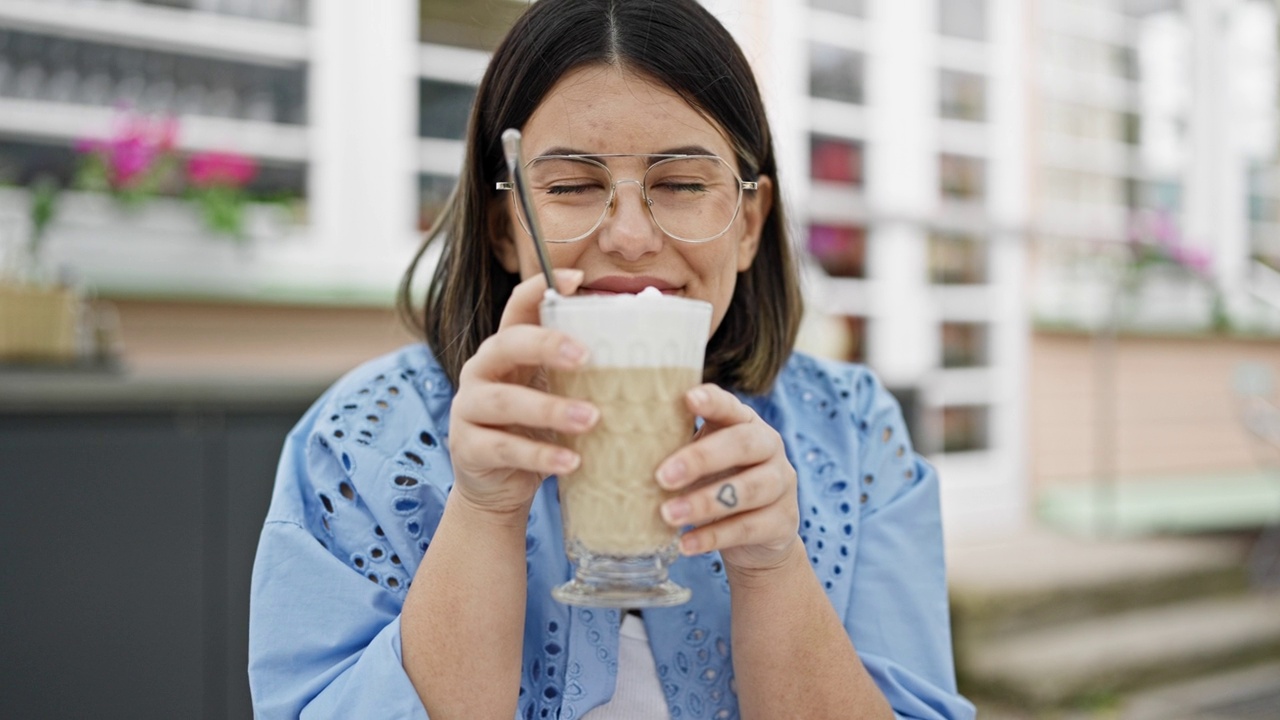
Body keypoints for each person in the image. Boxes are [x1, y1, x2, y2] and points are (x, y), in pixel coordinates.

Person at [249, 1, 975, 718]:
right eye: (570, 187)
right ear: (506, 228)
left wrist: (773, 565)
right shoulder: (361, 441)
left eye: (683, 184)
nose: (629, 237)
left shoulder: (853, 430)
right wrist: (483, 512)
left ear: (749, 224)